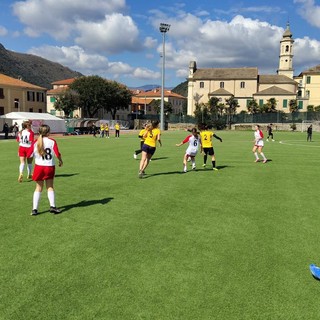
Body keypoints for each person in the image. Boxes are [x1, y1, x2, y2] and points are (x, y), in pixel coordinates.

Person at [27, 124, 63, 216]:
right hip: (49, 167)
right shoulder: (52, 141)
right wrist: (60, 160)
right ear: (48, 132)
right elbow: (57, 153)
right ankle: (52, 206)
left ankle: (34, 209)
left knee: (38, 188)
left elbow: (29, 155)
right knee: (50, 187)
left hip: (39, 167)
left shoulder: (35, 142)